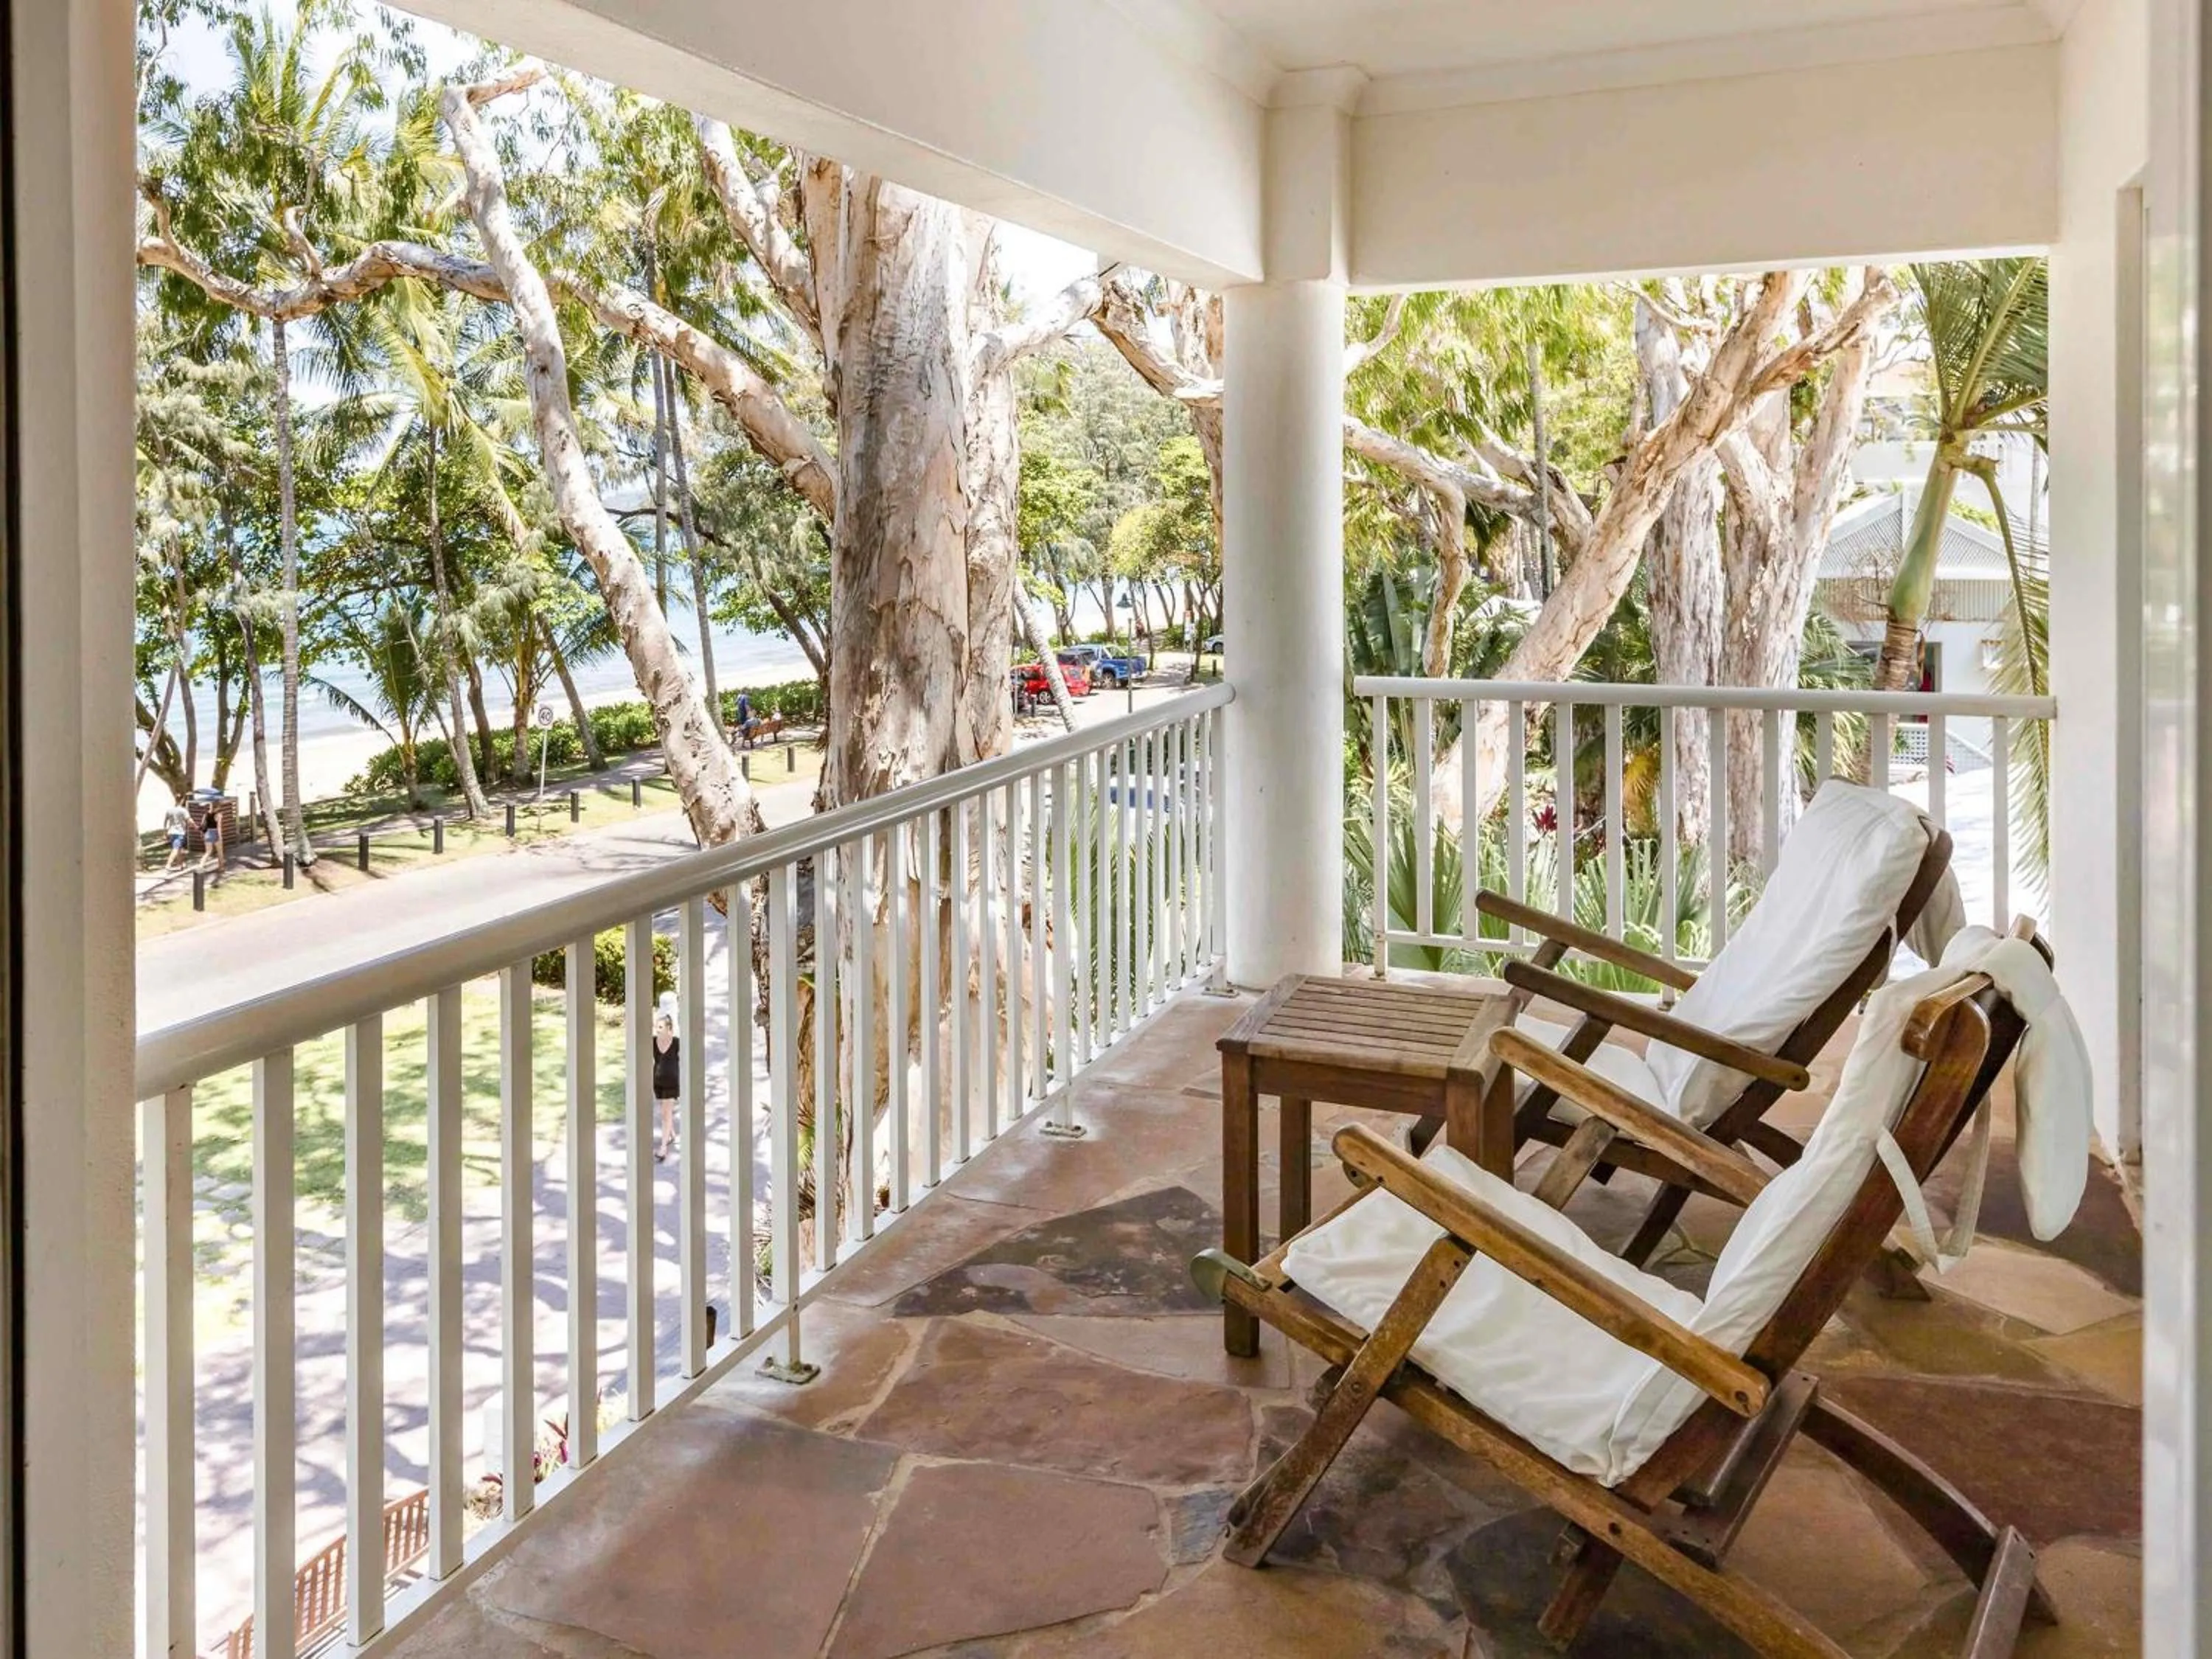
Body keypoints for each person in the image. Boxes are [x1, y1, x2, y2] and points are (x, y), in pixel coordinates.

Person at [652, 992, 681, 1163]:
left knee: (665, 1113)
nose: (658, 1029)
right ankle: (671, 1133)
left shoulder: (676, 1041)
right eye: (657, 1027)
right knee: (665, 1113)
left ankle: (663, 1147)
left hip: (671, 1082)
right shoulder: (654, 1041)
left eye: (661, 1027)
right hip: (659, 1081)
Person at [162, 803, 191, 872]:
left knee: (179, 849)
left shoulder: (169, 810)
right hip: (180, 833)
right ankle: (168, 865)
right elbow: (189, 820)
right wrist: (195, 826)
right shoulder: (183, 810)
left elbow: (165, 822)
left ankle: (180, 864)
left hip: (172, 832)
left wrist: (165, 832)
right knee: (176, 849)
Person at [201, 804, 225, 883]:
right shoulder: (219, 815)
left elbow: (202, 825)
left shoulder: (206, 814)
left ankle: (201, 866)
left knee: (208, 852)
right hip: (215, 833)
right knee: (220, 852)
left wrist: (202, 834)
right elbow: (219, 827)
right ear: (217, 806)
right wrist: (220, 837)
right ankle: (221, 868)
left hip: (207, 833)